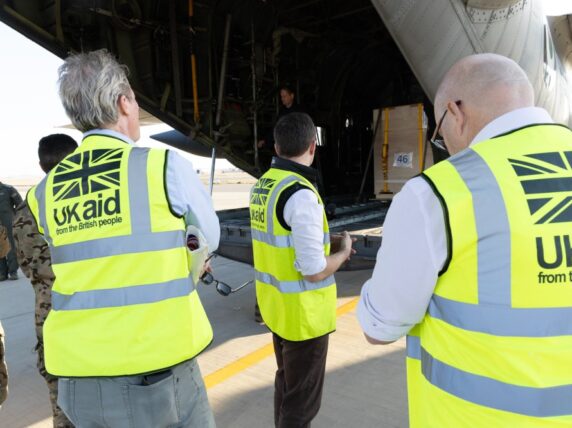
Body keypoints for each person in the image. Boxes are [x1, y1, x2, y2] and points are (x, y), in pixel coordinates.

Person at [357, 52, 572, 426]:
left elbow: (380, 327)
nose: (446, 146)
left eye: (440, 134)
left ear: (455, 112)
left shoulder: (440, 193)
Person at [26, 49, 220, 428]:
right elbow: (207, 238)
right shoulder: (162, 167)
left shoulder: (44, 191)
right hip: (153, 376)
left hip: (77, 381)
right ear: (123, 102)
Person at [250, 112, 354, 427]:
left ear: (277, 146)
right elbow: (314, 270)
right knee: (301, 404)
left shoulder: (264, 186)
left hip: (278, 310)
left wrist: (321, 240)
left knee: (287, 385)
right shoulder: (300, 194)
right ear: (313, 145)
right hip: (304, 318)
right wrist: (344, 251)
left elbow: (281, 238)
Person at [13, 133, 78, 428]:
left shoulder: (26, 208)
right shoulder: (87, 203)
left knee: (58, 390)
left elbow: (25, 265)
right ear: (77, 158)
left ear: (41, 165)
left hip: (48, 309)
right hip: (88, 305)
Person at [257, 85, 307, 150]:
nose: (282, 99)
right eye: (281, 97)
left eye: (284, 96)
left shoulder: (300, 112)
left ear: (292, 96)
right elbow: (276, 129)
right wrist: (265, 141)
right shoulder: (282, 112)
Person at [0, 180, 23, 280]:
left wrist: (17, 218)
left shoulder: (8, 189)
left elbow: (20, 205)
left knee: (10, 246)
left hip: (8, 222)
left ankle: (13, 271)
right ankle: (2, 273)